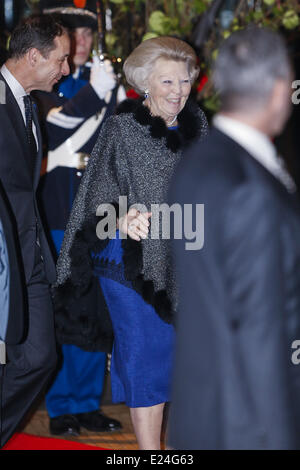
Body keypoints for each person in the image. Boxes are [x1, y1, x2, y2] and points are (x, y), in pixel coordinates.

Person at [53, 36, 208, 449]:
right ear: (145, 84)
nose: (177, 92)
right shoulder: (122, 129)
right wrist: (121, 217)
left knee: (182, 368)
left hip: (186, 262)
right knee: (147, 362)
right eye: (167, 82)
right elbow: (94, 201)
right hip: (128, 265)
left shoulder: (201, 128)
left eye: (184, 81)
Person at [168, 27, 300, 450]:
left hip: (198, 406)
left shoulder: (196, 162)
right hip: (248, 419)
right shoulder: (251, 186)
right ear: (280, 90)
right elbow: (259, 330)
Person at [33, 0, 122, 437]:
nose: (82, 42)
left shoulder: (105, 84)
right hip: (57, 211)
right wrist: (99, 94)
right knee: (63, 314)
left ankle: (87, 403)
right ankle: (61, 405)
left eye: (87, 34)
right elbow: (60, 125)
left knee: (95, 313)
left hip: (98, 216)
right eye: (73, 35)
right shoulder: (49, 86)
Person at [0, 15, 70, 448]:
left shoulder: (30, 105)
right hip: (5, 257)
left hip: (31, 254)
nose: (65, 70)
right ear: (33, 55)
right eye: (60, 60)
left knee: (40, 357)